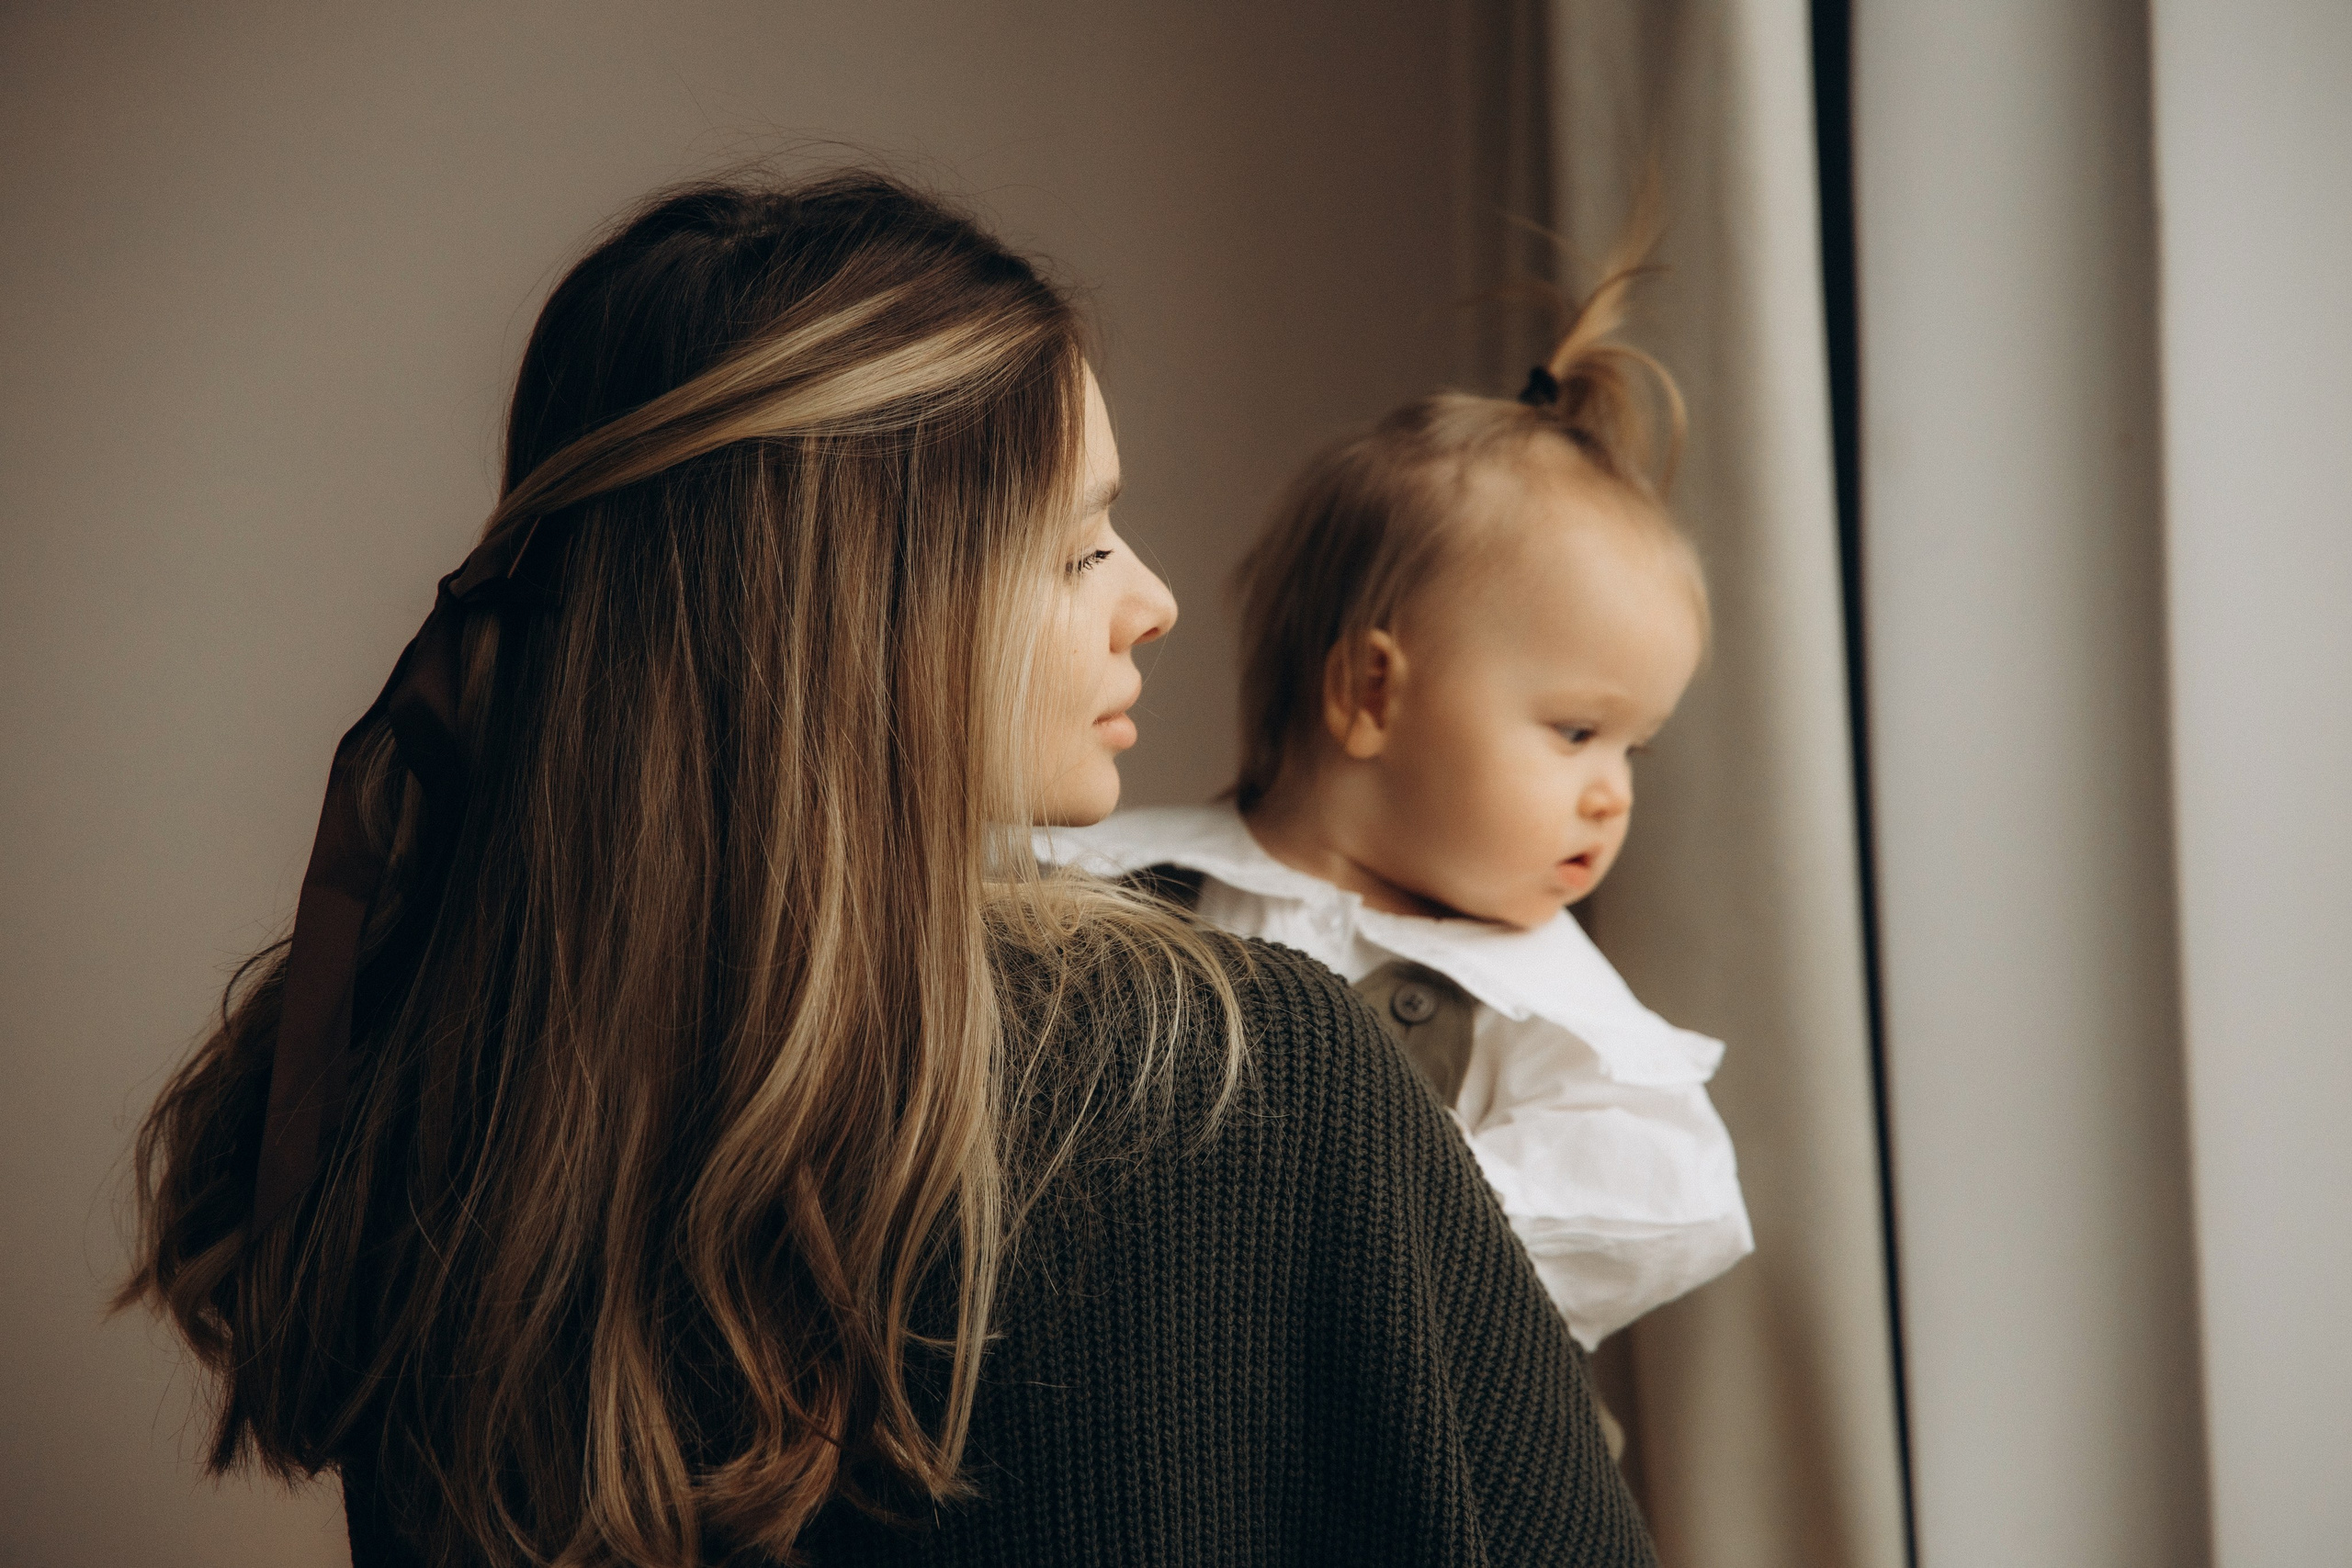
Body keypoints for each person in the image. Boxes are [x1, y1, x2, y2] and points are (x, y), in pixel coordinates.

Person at [116, 173, 1654, 1566]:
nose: (1159, 602)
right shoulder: (1253, 1076)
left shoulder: (420, 1104)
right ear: (861, 622)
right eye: (1079, 549)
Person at [1041, 222, 1752, 1360]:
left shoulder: (1541, 1002)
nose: (1610, 795)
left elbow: (1668, 1198)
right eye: (1576, 732)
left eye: (1631, 751)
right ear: (1372, 690)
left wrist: (1336, 1236)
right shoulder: (1107, 885)